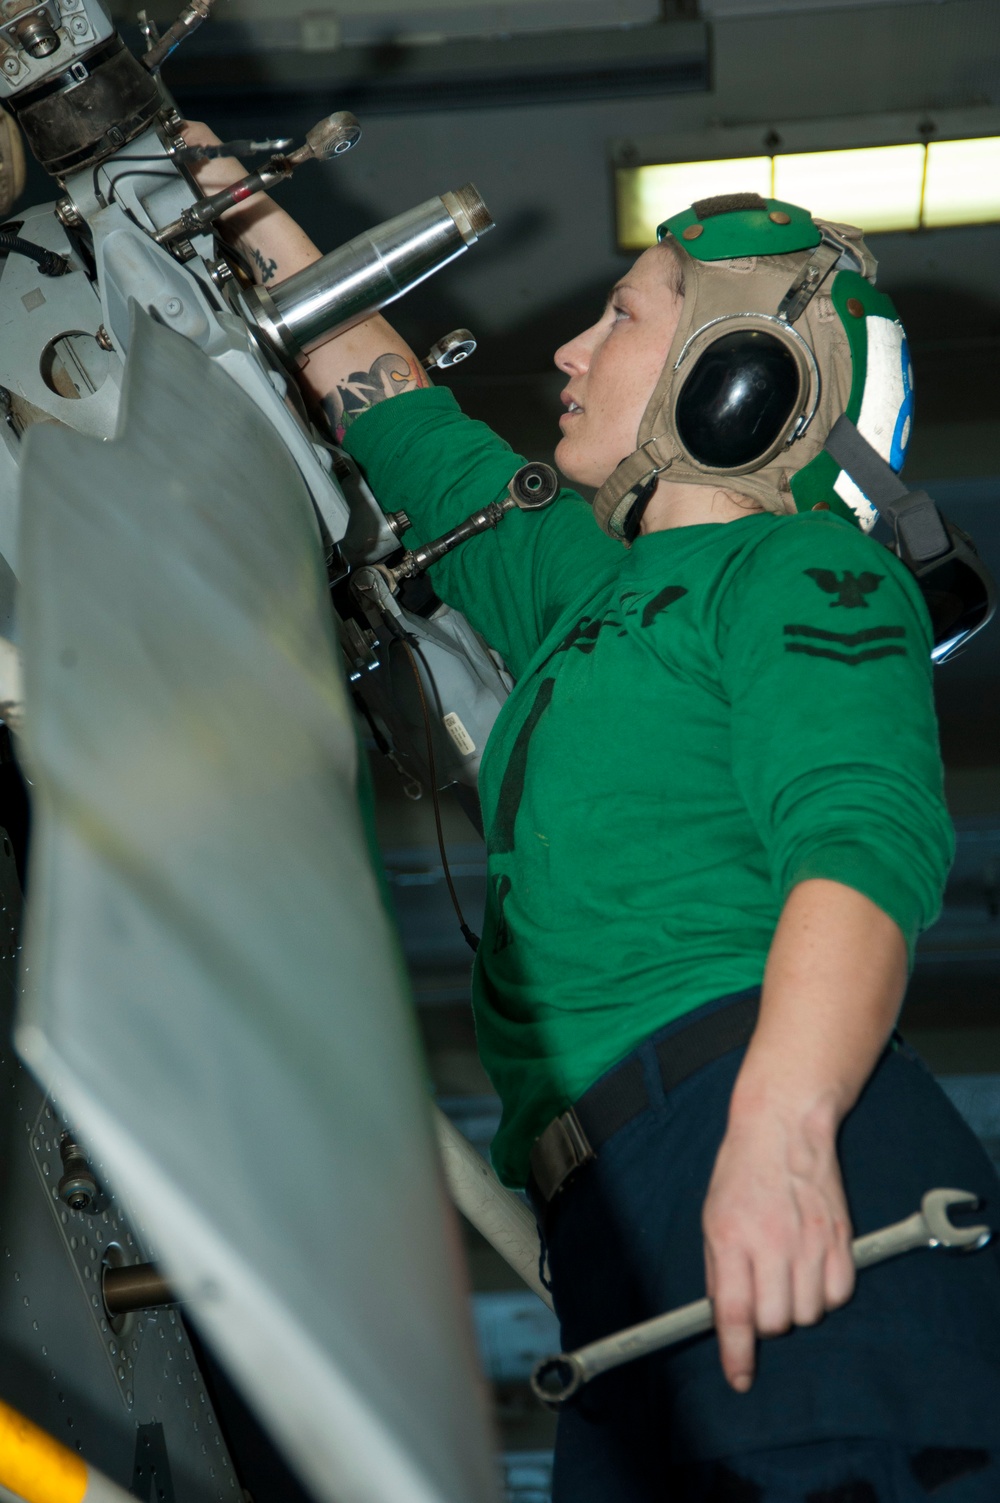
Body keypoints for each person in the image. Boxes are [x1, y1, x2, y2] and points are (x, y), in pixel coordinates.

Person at [187, 130, 1000, 1499]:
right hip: (613, 1215)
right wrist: (206, 176)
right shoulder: (585, 599)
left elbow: (863, 849)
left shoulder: (802, 568)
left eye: (620, 317)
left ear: (739, 380)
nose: (566, 352)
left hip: (760, 1140)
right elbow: (388, 405)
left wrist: (786, 1132)